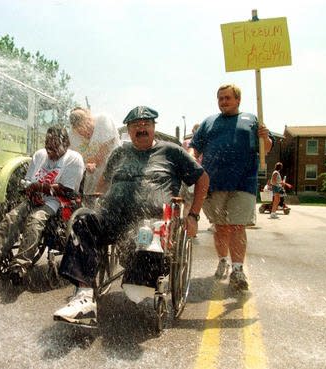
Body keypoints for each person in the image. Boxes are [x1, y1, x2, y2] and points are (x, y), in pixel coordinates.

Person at [52, 106, 209, 327]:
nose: (141, 128)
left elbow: (203, 179)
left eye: (146, 124)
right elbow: (104, 181)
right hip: (113, 216)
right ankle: (84, 297)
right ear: (129, 129)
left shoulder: (172, 151)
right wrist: (96, 199)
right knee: (82, 221)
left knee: (144, 244)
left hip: (151, 220)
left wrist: (193, 216)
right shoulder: (120, 153)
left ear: (154, 127)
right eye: (136, 125)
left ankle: (138, 278)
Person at [0, 126, 85, 281]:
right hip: (35, 199)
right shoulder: (39, 156)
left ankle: (19, 266)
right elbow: (27, 182)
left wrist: (40, 187)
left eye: (54, 147)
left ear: (66, 144)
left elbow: (67, 190)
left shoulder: (74, 159)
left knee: (35, 220)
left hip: (57, 203)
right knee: (12, 218)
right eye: (47, 146)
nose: (49, 151)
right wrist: (30, 191)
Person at [189, 84, 273, 291]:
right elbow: (194, 146)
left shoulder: (251, 120)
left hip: (244, 182)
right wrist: (191, 161)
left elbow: (266, 149)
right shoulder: (209, 122)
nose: (223, 102)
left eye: (227, 98)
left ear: (238, 100)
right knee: (221, 227)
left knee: (237, 226)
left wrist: (265, 137)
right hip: (214, 183)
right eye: (220, 98)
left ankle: (238, 270)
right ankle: (223, 260)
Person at [68, 107, 120, 194]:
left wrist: (85, 165)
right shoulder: (72, 135)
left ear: (90, 118)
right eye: (81, 132)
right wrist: (84, 166)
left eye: (88, 127)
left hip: (114, 175)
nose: (87, 133)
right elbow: (71, 159)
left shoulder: (103, 120)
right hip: (90, 184)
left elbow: (101, 154)